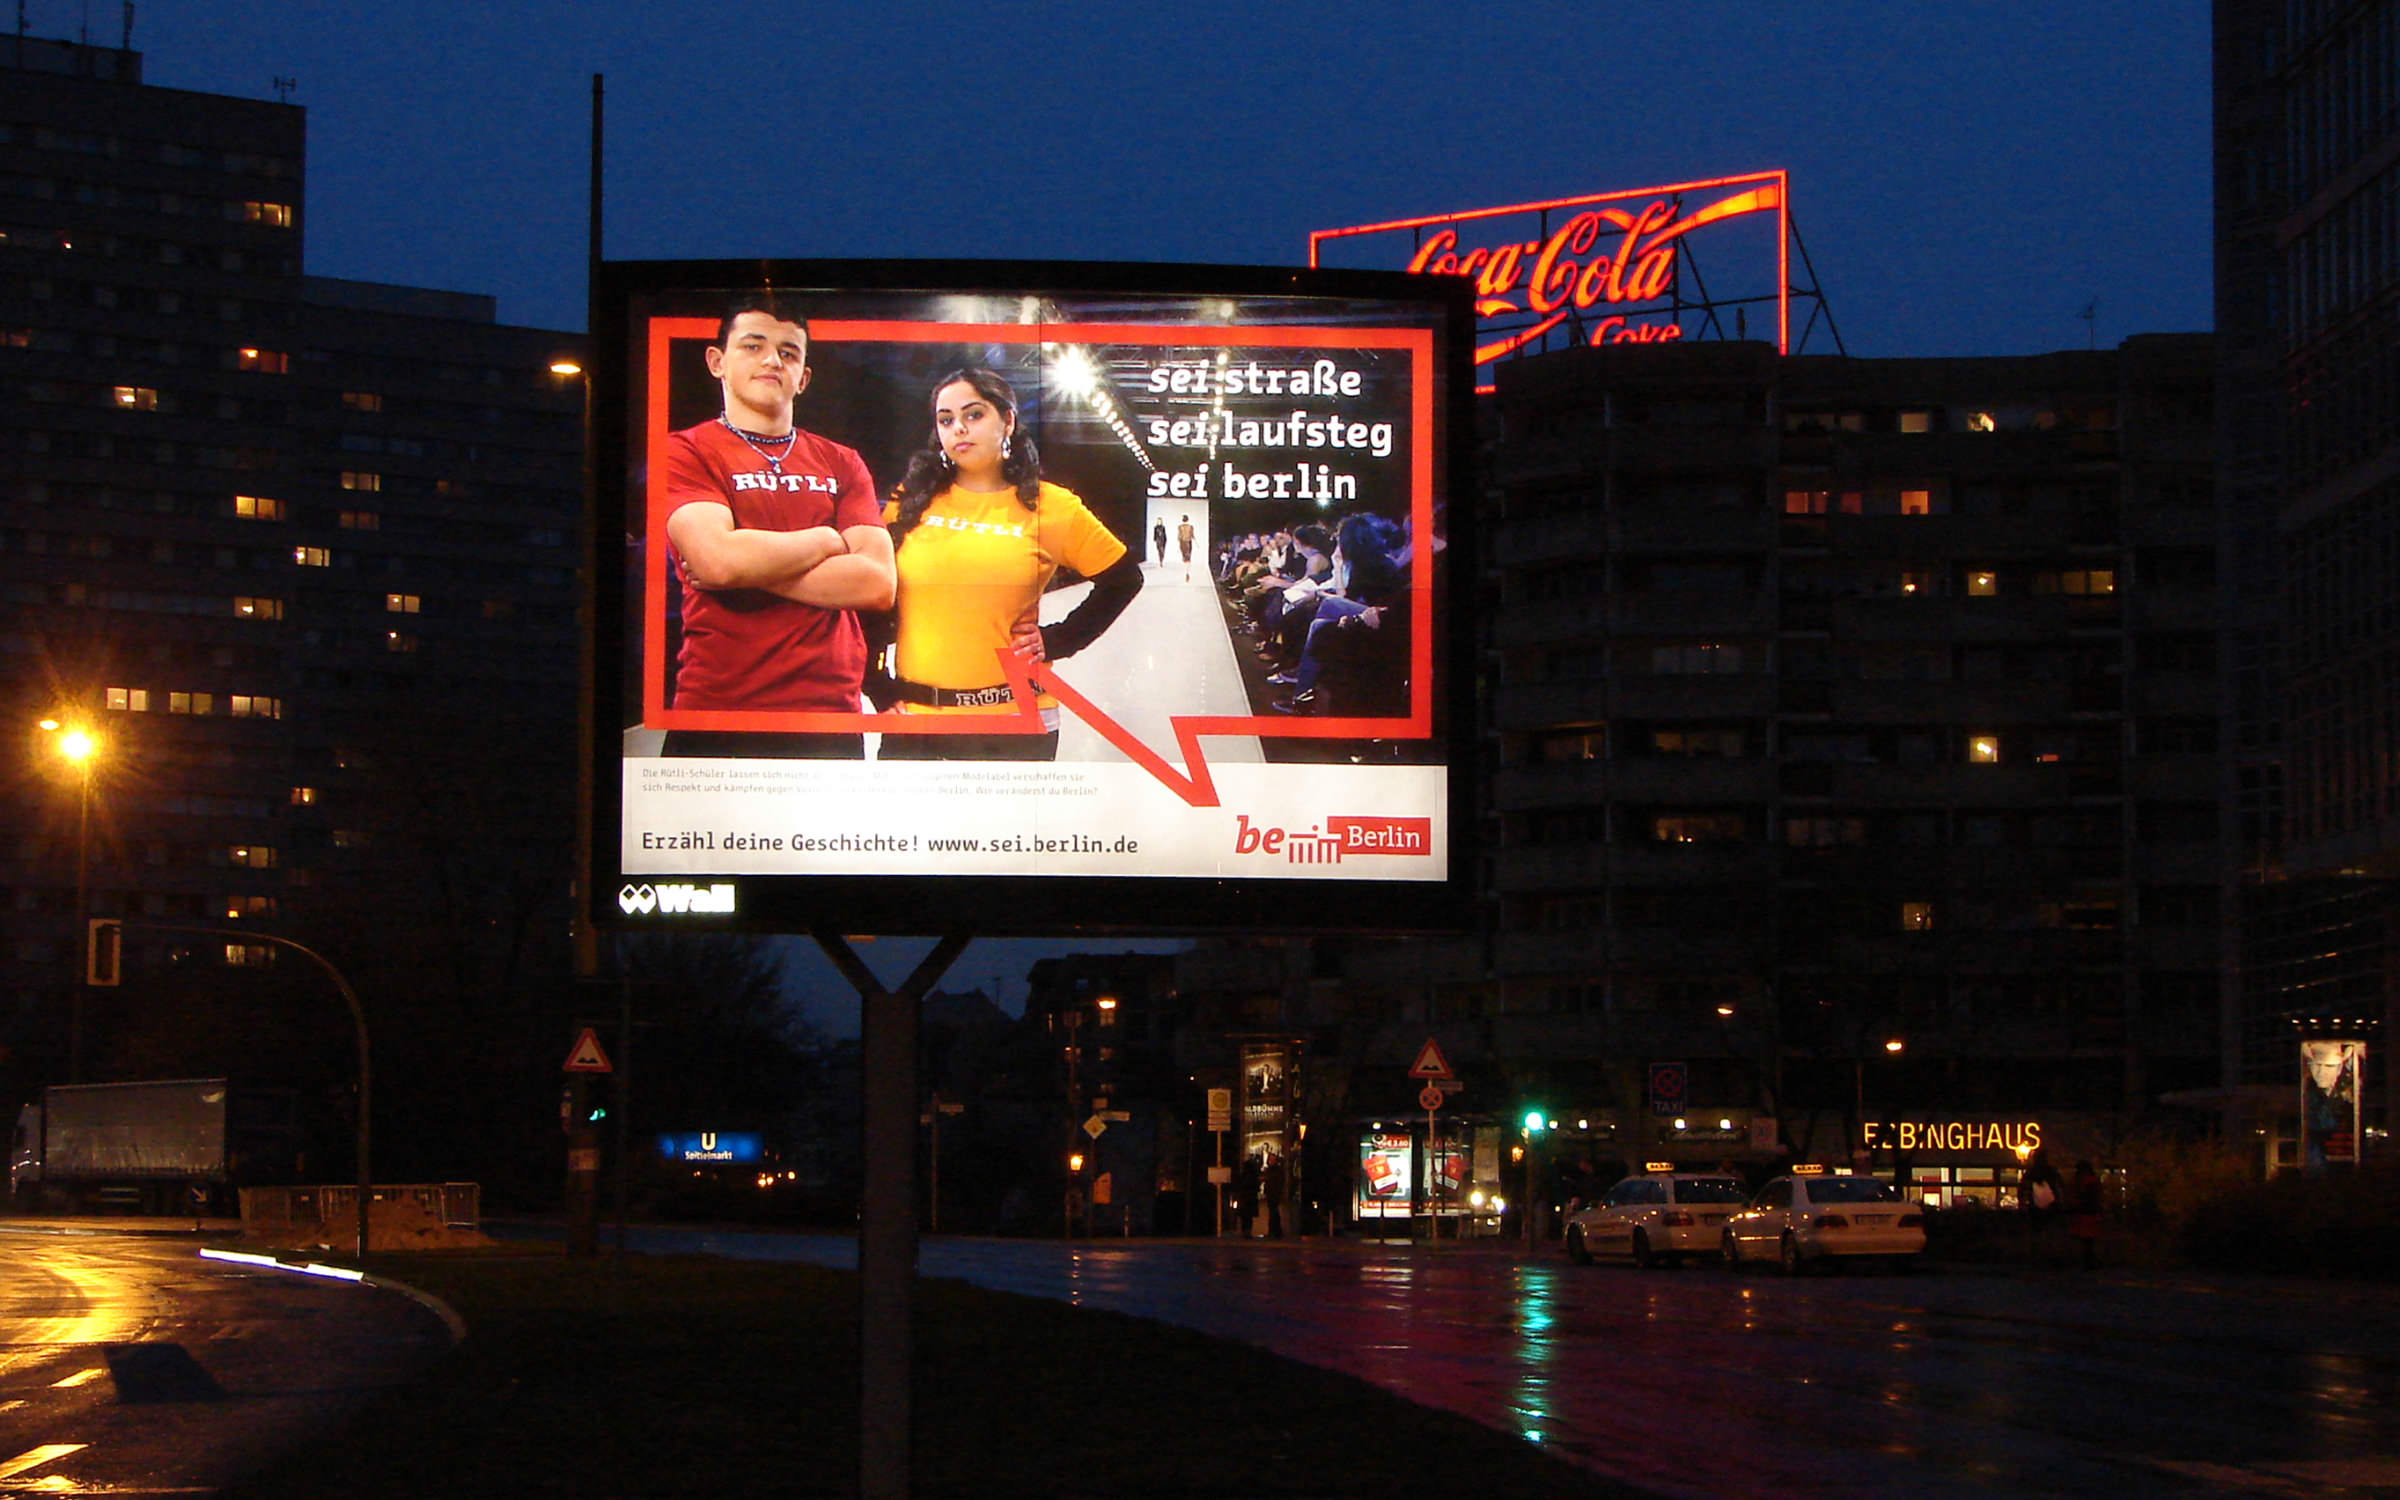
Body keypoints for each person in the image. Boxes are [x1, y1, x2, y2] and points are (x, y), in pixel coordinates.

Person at [660, 294, 894, 757]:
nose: (772, 360)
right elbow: (718, 561)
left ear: (803, 378)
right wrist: (826, 540)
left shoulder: (841, 461)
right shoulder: (684, 450)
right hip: (716, 711)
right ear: (717, 362)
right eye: (753, 346)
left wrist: (744, 564)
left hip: (828, 715)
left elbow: (877, 584)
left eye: (789, 352)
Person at [876, 367, 1140, 760]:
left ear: (1008, 421)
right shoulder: (907, 502)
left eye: (974, 415)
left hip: (1015, 722)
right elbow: (871, 597)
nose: (959, 429)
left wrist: (1058, 639)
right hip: (915, 720)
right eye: (946, 420)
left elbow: (1123, 579)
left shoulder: (1052, 506)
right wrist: (874, 683)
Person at [2068, 1159, 2103, 1269]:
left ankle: (2087, 1260)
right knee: (2088, 1240)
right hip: (2089, 1213)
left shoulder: (2079, 1181)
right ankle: (2088, 1260)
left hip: (2083, 1213)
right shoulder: (2092, 1181)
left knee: (2085, 1240)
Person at [1177, 514, 1195, 581]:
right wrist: (1196, 542)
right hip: (1188, 543)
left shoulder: (1180, 527)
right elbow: (1192, 536)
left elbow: (1179, 537)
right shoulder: (1190, 527)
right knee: (1188, 559)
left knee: (1184, 558)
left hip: (1182, 543)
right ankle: (1187, 572)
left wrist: (1178, 547)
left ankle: (1186, 572)